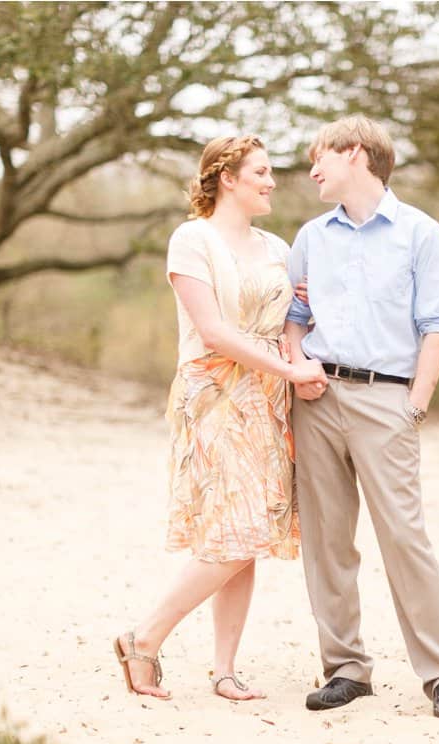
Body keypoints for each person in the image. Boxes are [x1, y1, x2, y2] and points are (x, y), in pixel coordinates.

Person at [113, 135, 327, 701]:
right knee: (234, 533)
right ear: (226, 177)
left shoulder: (279, 247)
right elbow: (213, 332)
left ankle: (225, 669)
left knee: (248, 534)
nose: (272, 181)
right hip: (214, 397)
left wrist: (298, 362)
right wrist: (292, 373)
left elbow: (292, 323)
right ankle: (144, 636)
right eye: (260, 171)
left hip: (268, 401)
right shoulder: (193, 240)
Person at [282, 115, 439, 719]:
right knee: (326, 540)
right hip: (316, 399)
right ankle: (345, 669)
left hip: (388, 398)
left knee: (403, 536)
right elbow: (293, 317)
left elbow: (437, 326)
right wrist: (296, 365)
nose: (312, 169)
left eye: (321, 157)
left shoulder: (421, 233)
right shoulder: (312, 236)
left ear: (356, 154)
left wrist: (414, 404)